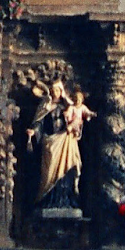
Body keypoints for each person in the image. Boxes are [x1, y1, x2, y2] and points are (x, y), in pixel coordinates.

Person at [28, 78, 92, 212]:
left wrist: (74, 125)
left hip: (65, 140)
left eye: (57, 90)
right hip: (50, 143)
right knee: (49, 172)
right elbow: (39, 123)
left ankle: (65, 200)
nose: (55, 92)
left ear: (61, 91)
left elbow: (77, 121)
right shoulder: (45, 106)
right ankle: (48, 200)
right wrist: (33, 131)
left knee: (67, 169)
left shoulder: (68, 107)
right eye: (53, 90)